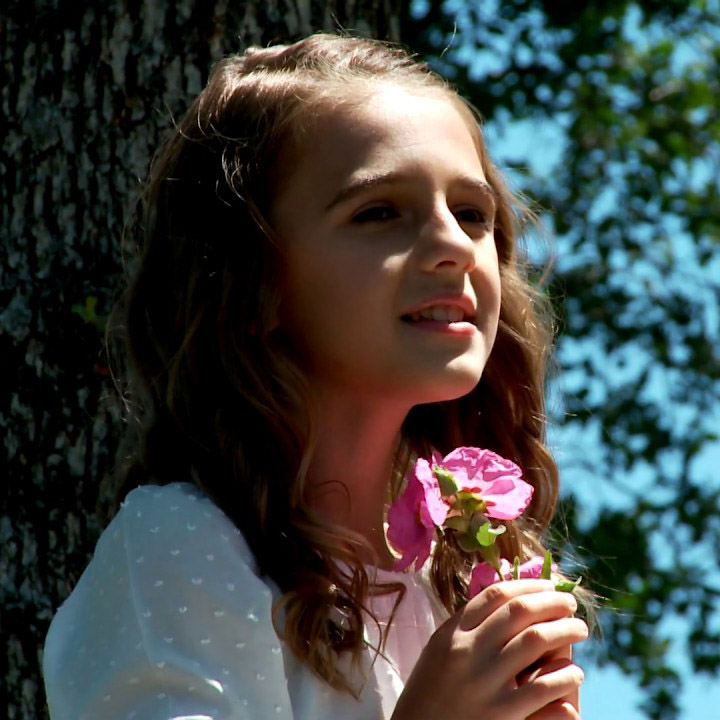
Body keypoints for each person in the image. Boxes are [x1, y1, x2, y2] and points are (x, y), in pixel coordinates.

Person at [43, 33, 589, 720]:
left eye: (472, 214)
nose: (454, 243)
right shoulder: (180, 545)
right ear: (254, 283)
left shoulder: (459, 584)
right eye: (379, 212)